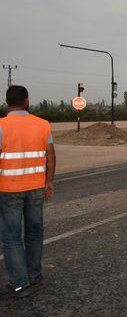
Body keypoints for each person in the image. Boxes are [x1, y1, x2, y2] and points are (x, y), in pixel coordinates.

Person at [0, 85, 56, 298]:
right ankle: (34, 275)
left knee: (11, 237)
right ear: (26, 101)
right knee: (34, 232)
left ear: (7, 103)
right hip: (35, 187)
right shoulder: (42, 125)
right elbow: (50, 155)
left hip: (8, 189)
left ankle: (19, 283)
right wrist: (48, 182)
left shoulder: (1, 126)